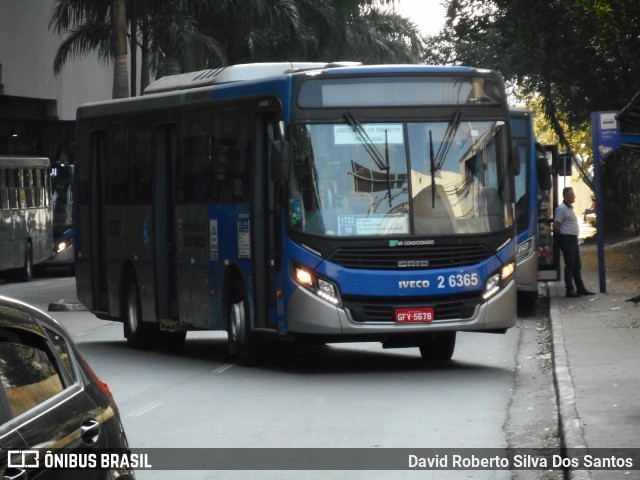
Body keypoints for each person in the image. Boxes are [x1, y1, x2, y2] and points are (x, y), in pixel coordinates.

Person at [552, 187, 595, 298]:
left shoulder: (569, 208)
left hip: (572, 239)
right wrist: (559, 238)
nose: (574, 196)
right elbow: (556, 225)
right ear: (566, 196)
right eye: (572, 195)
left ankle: (580, 288)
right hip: (566, 239)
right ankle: (569, 290)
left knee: (577, 265)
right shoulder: (561, 209)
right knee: (570, 265)